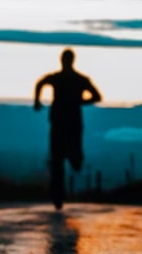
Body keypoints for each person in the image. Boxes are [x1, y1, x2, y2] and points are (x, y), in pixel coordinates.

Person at [34, 48, 102, 210]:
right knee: (57, 159)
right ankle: (58, 195)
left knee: (63, 156)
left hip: (65, 121)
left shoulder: (73, 79)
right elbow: (96, 96)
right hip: (66, 121)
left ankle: (60, 189)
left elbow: (40, 83)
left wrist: (37, 100)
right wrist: (79, 101)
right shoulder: (77, 79)